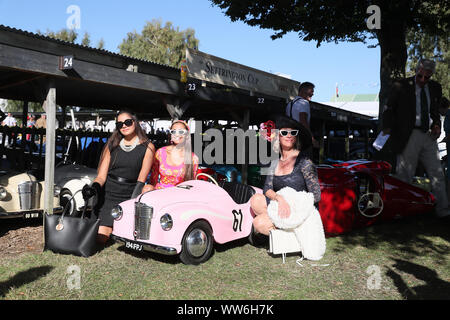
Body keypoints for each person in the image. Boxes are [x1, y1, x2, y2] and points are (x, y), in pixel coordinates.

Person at [381, 58, 449, 218]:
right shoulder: (400, 85)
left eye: (427, 77)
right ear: (417, 70)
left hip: (428, 135)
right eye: (420, 76)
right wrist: (388, 128)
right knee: (405, 174)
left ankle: (443, 210)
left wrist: (437, 125)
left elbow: (435, 111)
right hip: (408, 134)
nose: (423, 80)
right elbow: (389, 108)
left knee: (437, 172)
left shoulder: (435, 88)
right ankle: (401, 210)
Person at [82, 110, 155, 244]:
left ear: (135, 122)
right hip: (108, 195)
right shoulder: (112, 145)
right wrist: (94, 187)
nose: (124, 126)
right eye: (119, 124)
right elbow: (102, 176)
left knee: (122, 236)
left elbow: (141, 181)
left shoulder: (148, 147)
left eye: (127, 122)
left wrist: (130, 207)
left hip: (129, 195)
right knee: (99, 238)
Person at [250, 115, 321, 235]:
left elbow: (316, 196)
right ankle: (283, 228)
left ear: (296, 137)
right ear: (277, 136)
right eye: (284, 132)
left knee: (260, 223)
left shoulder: (305, 162)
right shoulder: (274, 162)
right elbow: (267, 189)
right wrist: (280, 199)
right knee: (256, 200)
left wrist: (291, 204)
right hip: (281, 206)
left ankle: (293, 232)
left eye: (293, 132)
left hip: (299, 210)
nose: (289, 135)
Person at [144, 120, 199, 191]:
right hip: (160, 193)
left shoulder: (193, 158)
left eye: (181, 131)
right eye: (173, 131)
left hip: (180, 195)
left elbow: (191, 185)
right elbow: (153, 179)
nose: (177, 134)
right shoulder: (161, 152)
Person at [285, 82, 319, 150]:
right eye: (311, 91)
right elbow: (303, 121)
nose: (312, 94)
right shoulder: (304, 103)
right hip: (300, 138)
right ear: (304, 91)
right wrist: (312, 138)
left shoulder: (290, 104)